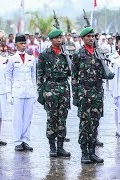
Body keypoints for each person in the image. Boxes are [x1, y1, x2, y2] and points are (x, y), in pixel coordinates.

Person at [71, 26, 107, 164]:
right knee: (85, 123)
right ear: (83, 38)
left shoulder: (99, 53)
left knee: (95, 123)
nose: (91, 39)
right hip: (84, 93)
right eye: (88, 37)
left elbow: (104, 73)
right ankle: (84, 153)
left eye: (93, 36)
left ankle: (92, 152)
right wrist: (75, 96)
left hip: (97, 93)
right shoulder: (78, 54)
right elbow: (74, 77)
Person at [37, 29, 71, 157]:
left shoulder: (65, 54)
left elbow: (71, 71)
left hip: (64, 87)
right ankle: (52, 147)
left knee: (63, 118)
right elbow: (39, 75)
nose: (59, 40)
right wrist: (40, 92)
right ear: (51, 40)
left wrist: (69, 59)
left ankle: (61, 147)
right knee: (52, 118)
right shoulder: (44, 55)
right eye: (56, 38)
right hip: (50, 88)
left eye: (60, 37)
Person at [5, 34, 37, 152]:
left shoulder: (31, 58)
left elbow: (34, 75)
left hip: (29, 91)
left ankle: (25, 140)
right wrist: (9, 93)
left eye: (25, 43)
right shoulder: (12, 59)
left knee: (28, 117)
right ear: (16, 45)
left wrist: (35, 91)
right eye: (21, 43)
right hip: (17, 91)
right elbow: (8, 76)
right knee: (17, 117)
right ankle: (17, 141)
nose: (23, 45)